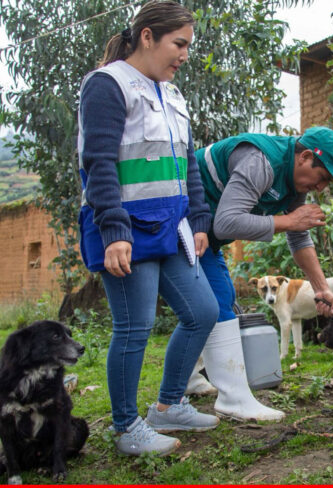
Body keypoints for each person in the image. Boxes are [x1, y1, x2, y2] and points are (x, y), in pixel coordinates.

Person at [76, 0, 220, 457]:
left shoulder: (173, 94)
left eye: (188, 46)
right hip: (126, 227)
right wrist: (114, 229)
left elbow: (188, 165)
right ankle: (125, 428)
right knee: (134, 327)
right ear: (147, 37)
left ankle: (169, 404)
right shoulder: (108, 84)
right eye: (178, 44)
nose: (184, 55)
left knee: (203, 311)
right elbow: (97, 162)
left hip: (172, 227)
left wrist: (197, 218)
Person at [185, 126, 333, 421]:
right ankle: (233, 397)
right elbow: (226, 223)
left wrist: (321, 287)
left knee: (220, 301)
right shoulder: (260, 162)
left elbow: (299, 236)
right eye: (324, 177)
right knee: (210, 308)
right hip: (182, 226)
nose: (322, 188)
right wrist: (288, 220)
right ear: (304, 157)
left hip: (206, 238)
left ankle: (189, 380)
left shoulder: (294, 184)